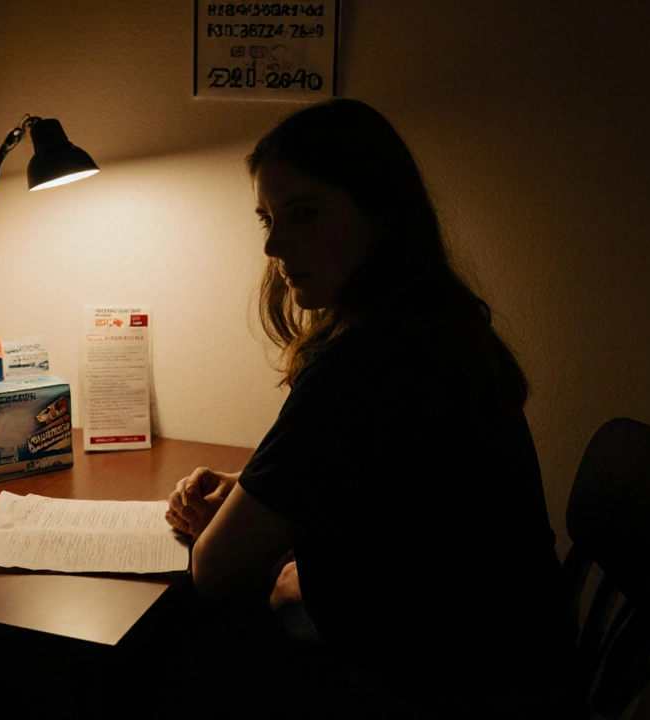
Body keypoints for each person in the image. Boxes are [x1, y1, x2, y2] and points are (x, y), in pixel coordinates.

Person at [165, 98, 581, 719]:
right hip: (510, 656)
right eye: (266, 219)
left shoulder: (367, 362)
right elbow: (404, 509)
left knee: (176, 660)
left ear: (382, 216)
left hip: (442, 688)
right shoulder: (439, 321)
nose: (275, 245)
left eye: (303, 214)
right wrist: (262, 500)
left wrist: (260, 544)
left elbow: (215, 570)